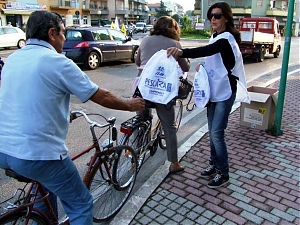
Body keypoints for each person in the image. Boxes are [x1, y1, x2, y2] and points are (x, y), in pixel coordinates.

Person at [0, 11, 145, 224]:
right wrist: (129, 105)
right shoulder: (56, 61)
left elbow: (25, 96)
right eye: (63, 33)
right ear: (52, 33)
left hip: (4, 150)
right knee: (82, 204)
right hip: (37, 154)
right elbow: (101, 95)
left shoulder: (13, 59)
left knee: (47, 192)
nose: (65, 39)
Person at [167, 2, 248, 188]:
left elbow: (208, 51)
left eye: (217, 15)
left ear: (226, 18)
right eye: (211, 15)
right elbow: (215, 60)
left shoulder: (226, 38)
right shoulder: (215, 36)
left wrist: (182, 52)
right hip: (214, 90)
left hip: (225, 91)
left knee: (217, 133)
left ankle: (223, 172)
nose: (213, 18)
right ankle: (214, 163)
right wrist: (203, 67)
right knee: (212, 133)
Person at [135, 16, 190, 173]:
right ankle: (174, 163)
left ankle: (135, 152)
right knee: (169, 126)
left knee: (141, 119)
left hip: (143, 88)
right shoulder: (175, 44)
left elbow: (138, 62)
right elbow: (185, 68)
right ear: (173, 29)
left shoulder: (145, 40)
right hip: (162, 90)